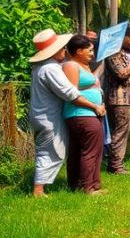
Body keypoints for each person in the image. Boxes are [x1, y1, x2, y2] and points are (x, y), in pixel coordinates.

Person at [29, 30, 98, 196]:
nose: (64, 51)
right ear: (54, 51)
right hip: (48, 117)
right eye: (62, 48)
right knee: (52, 151)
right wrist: (94, 106)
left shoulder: (40, 67)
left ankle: (40, 187)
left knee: (48, 150)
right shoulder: (50, 68)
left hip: (41, 115)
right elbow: (69, 93)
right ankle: (38, 190)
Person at [61, 35, 105, 194]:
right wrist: (95, 106)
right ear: (79, 51)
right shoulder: (71, 66)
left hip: (91, 112)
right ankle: (88, 187)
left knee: (84, 149)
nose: (92, 54)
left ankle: (80, 184)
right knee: (90, 151)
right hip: (81, 113)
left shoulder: (84, 65)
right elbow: (72, 94)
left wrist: (100, 105)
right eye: (90, 50)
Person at [103, 24, 130, 176]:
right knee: (120, 132)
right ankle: (115, 165)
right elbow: (122, 74)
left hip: (127, 97)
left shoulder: (123, 53)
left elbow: (127, 77)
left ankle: (117, 163)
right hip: (118, 99)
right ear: (121, 38)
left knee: (123, 131)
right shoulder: (112, 53)